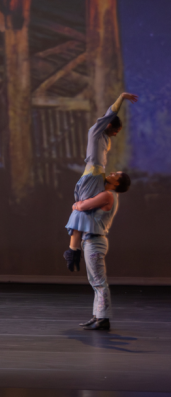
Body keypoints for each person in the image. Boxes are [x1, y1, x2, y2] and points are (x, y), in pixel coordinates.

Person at [63, 92, 138, 271]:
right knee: (81, 210)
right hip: (92, 175)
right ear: (109, 125)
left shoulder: (104, 138)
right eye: (115, 130)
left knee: (83, 209)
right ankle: (73, 250)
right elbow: (110, 113)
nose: (115, 134)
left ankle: (73, 250)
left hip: (96, 175)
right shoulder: (97, 131)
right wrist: (121, 98)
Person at [71, 172, 129, 331]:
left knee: (99, 282)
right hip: (92, 240)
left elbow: (82, 206)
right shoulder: (109, 194)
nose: (112, 172)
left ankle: (103, 318)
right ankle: (98, 316)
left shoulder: (108, 195)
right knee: (95, 281)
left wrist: (77, 205)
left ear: (117, 183)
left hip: (95, 241)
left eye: (116, 174)